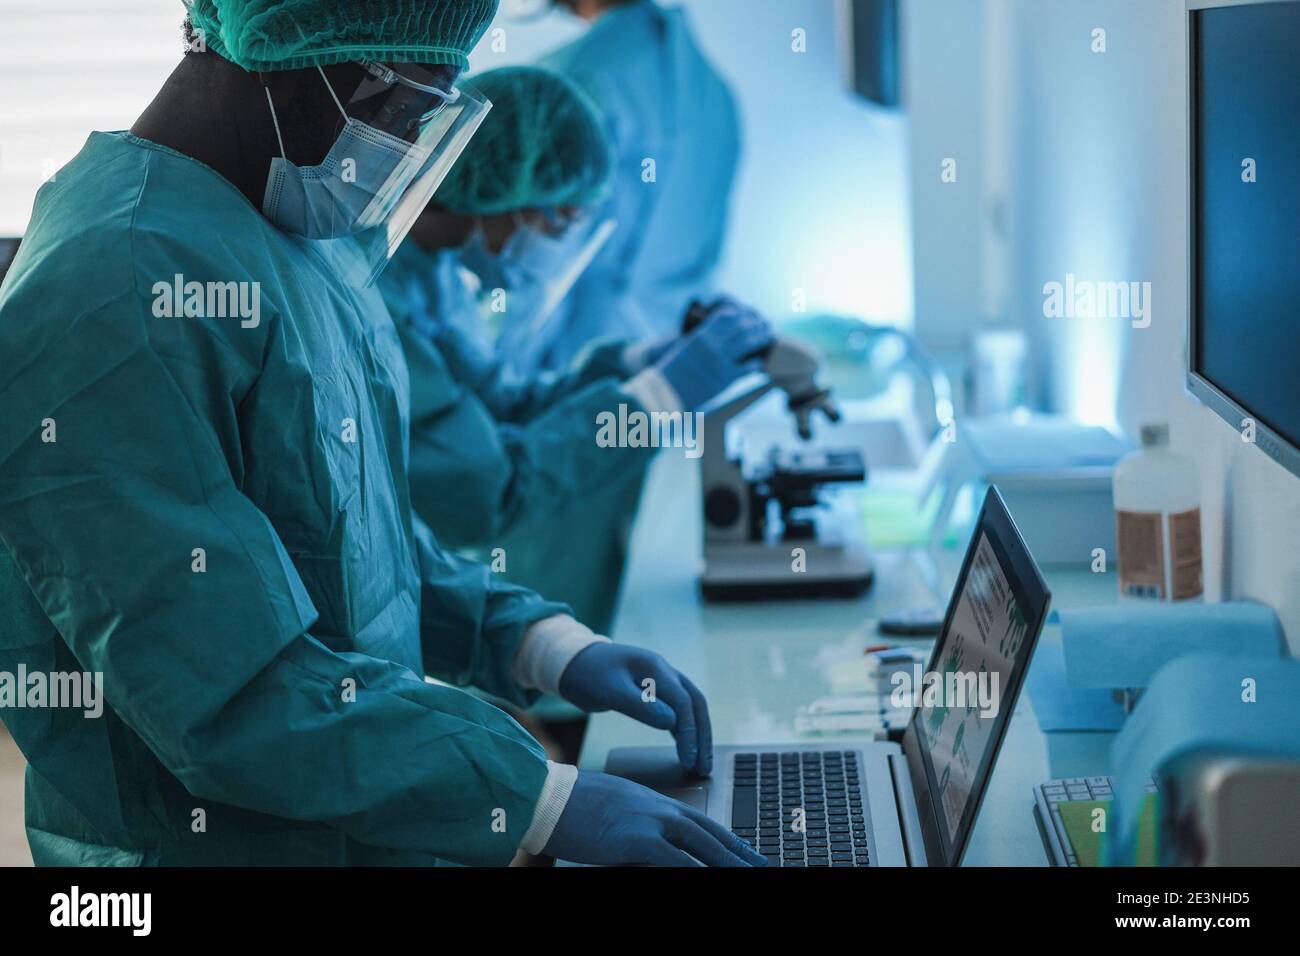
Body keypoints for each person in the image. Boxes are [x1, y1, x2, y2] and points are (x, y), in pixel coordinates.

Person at [0, 0, 762, 868]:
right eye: (404, 106)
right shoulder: (112, 287)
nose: (404, 150)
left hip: (351, 824)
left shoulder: (310, 239)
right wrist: (539, 796)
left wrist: (536, 642)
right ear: (295, 51)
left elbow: (358, 542)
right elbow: (224, 694)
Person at [380, 65, 771, 634]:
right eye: (559, 220)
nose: (558, 244)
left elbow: (501, 405)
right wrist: (660, 397)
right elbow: (491, 490)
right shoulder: (383, 295)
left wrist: (641, 363)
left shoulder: (435, 270)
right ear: (503, 191)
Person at [513, 0, 742, 375]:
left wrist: (502, 364)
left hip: (572, 363)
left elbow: (531, 254)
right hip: (669, 360)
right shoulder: (714, 94)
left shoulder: (577, 76)